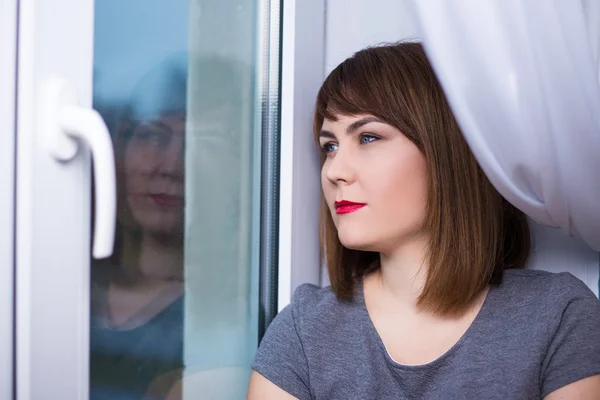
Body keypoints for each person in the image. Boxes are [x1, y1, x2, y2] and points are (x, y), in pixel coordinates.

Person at [247, 42, 600, 399]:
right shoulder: (305, 332)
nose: (334, 171)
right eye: (330, 147)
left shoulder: (558, 317)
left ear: (447, 151)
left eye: (368, 137)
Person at [90, 60, 187, 400]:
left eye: (195, 145)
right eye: (152, 136)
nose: (171, 166)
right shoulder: (64, 288)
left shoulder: (222, 321)